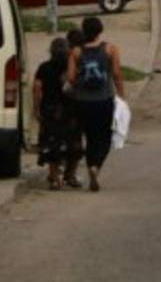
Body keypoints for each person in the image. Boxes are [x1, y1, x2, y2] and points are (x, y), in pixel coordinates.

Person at [66, 16, 125, 192]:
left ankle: (91, 166)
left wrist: (80, 84)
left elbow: (70, 78)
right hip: (104, 99)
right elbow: (116, 74)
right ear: (100, 31)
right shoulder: (110, 49)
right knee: (105, 137)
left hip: (83, 102)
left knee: (91, 137)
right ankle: (95, 167)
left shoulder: (76, 52)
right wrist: (121, 97)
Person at [32, 38, 72, 189]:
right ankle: (60, 176)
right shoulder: (70, 67)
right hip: (66, 109)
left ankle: (54, 177)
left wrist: (36, 109)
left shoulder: (44, 67)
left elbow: (37, 88)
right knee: (64, 142)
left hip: (48, 109)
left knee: (50, 142)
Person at [62, 28, 86, 188]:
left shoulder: (62, 57)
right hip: (78, 104)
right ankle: (70, 175)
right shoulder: (85, 56)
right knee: (76, 141)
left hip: (60, 106)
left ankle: (56, 175)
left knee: (60, 140)